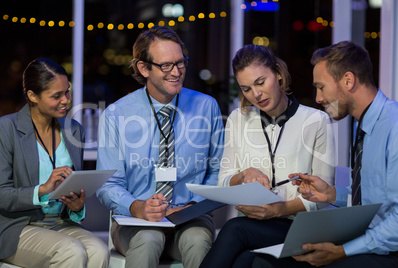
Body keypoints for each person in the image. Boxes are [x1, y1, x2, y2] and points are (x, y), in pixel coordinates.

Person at [252, 41, 398, 268]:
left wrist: (343, 251)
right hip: (368, 241)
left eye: (321, 87)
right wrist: (331, 194)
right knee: (260, 261)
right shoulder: (361, 124)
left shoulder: (396, 127)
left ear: (348, 81)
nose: (319, 98)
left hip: (390, 249)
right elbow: (371, 198)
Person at [96, 26, 224, 268]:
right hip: (134, 222)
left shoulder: (207, 107)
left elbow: (219, 170)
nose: (176, 72)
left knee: (197, 240)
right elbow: (108, 184)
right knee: (148, 237)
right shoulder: (116, 114)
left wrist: (193, 206)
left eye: (181, 63)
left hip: (192, 218)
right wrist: (137, 207)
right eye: (166, 65)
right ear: (144, 68)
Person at [200, 44, 335, 268]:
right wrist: (243, 176)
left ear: (279, 74)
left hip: (299, 228)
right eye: (246, 88)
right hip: (253, 227)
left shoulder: (316, 121)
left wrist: (279, 209)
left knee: (235, 229)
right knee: (245, 261)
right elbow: (223, 182)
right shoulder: (237, 119)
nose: (256, 94)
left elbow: (324, 197)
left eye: (260, 82)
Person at [0, 58, 109, 268]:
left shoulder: (74, 129)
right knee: (71, 251)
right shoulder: (7, 129)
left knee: (99, 251)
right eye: (56, 96)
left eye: (67, 91)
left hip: (61, 223)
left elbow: (73, 189)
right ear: (32, 96)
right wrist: (42, 190)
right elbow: (2, 194)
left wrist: (77, 207)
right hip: (17, 226)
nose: (66, 100)